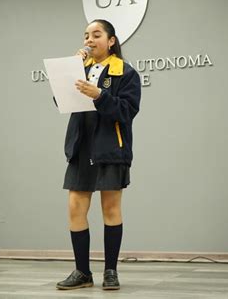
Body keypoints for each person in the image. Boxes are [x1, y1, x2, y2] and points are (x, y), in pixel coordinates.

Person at [56, 19, 141, 291]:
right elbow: (60, 100)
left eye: (96, 34)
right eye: (86, 36)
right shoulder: (81, 69)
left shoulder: (125, 73)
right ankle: (82, 272)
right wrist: (69, 72)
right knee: (75, 208)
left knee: (111, 209)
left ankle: (111, 271)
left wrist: (100, 95)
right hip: (81, 148)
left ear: (111, 40)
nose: (89, 40)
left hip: (110, 149)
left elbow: (127, 112)